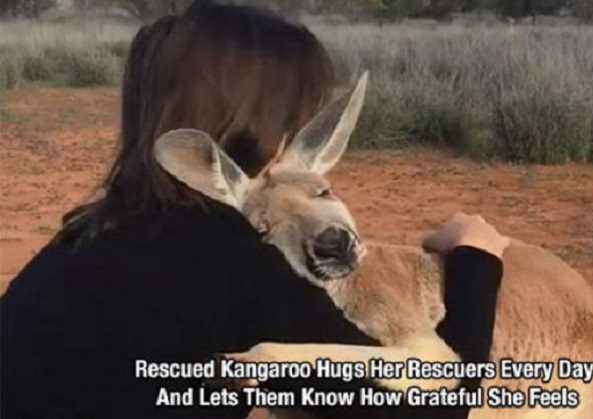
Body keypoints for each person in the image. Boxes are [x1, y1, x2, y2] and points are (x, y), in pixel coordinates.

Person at [0, 2, 507, 419]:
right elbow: (435, 410)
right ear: (261, 128)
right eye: (297, 118)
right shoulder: (238, 262)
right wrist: (476, 262)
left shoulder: (84, 235)